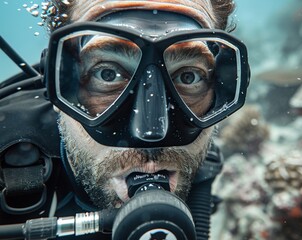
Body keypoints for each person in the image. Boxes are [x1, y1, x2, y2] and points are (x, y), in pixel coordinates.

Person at [0, 0, 250, 239]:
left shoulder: (206, 168)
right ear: (56, 85)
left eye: (188, 77)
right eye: (107, 74)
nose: (151, 133)